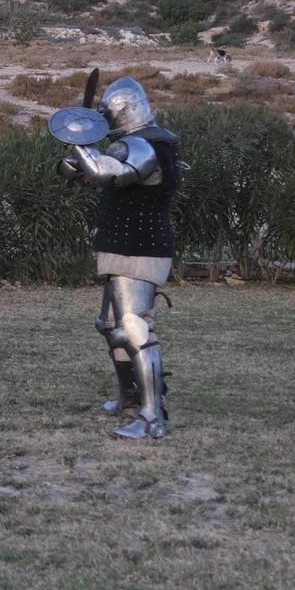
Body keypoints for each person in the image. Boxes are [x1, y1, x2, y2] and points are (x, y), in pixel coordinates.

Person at [57, 77, 180, 439]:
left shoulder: (146, 143)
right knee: (111, 327)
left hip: (139, 246)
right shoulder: (135, 143)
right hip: (123, 243)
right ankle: (129, 399)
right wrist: (78, 151)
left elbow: (105, 173)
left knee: (135, 330)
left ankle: (151, 418)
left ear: (121, 111)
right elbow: (81, 173)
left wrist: (80, 142)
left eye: (106, 113)